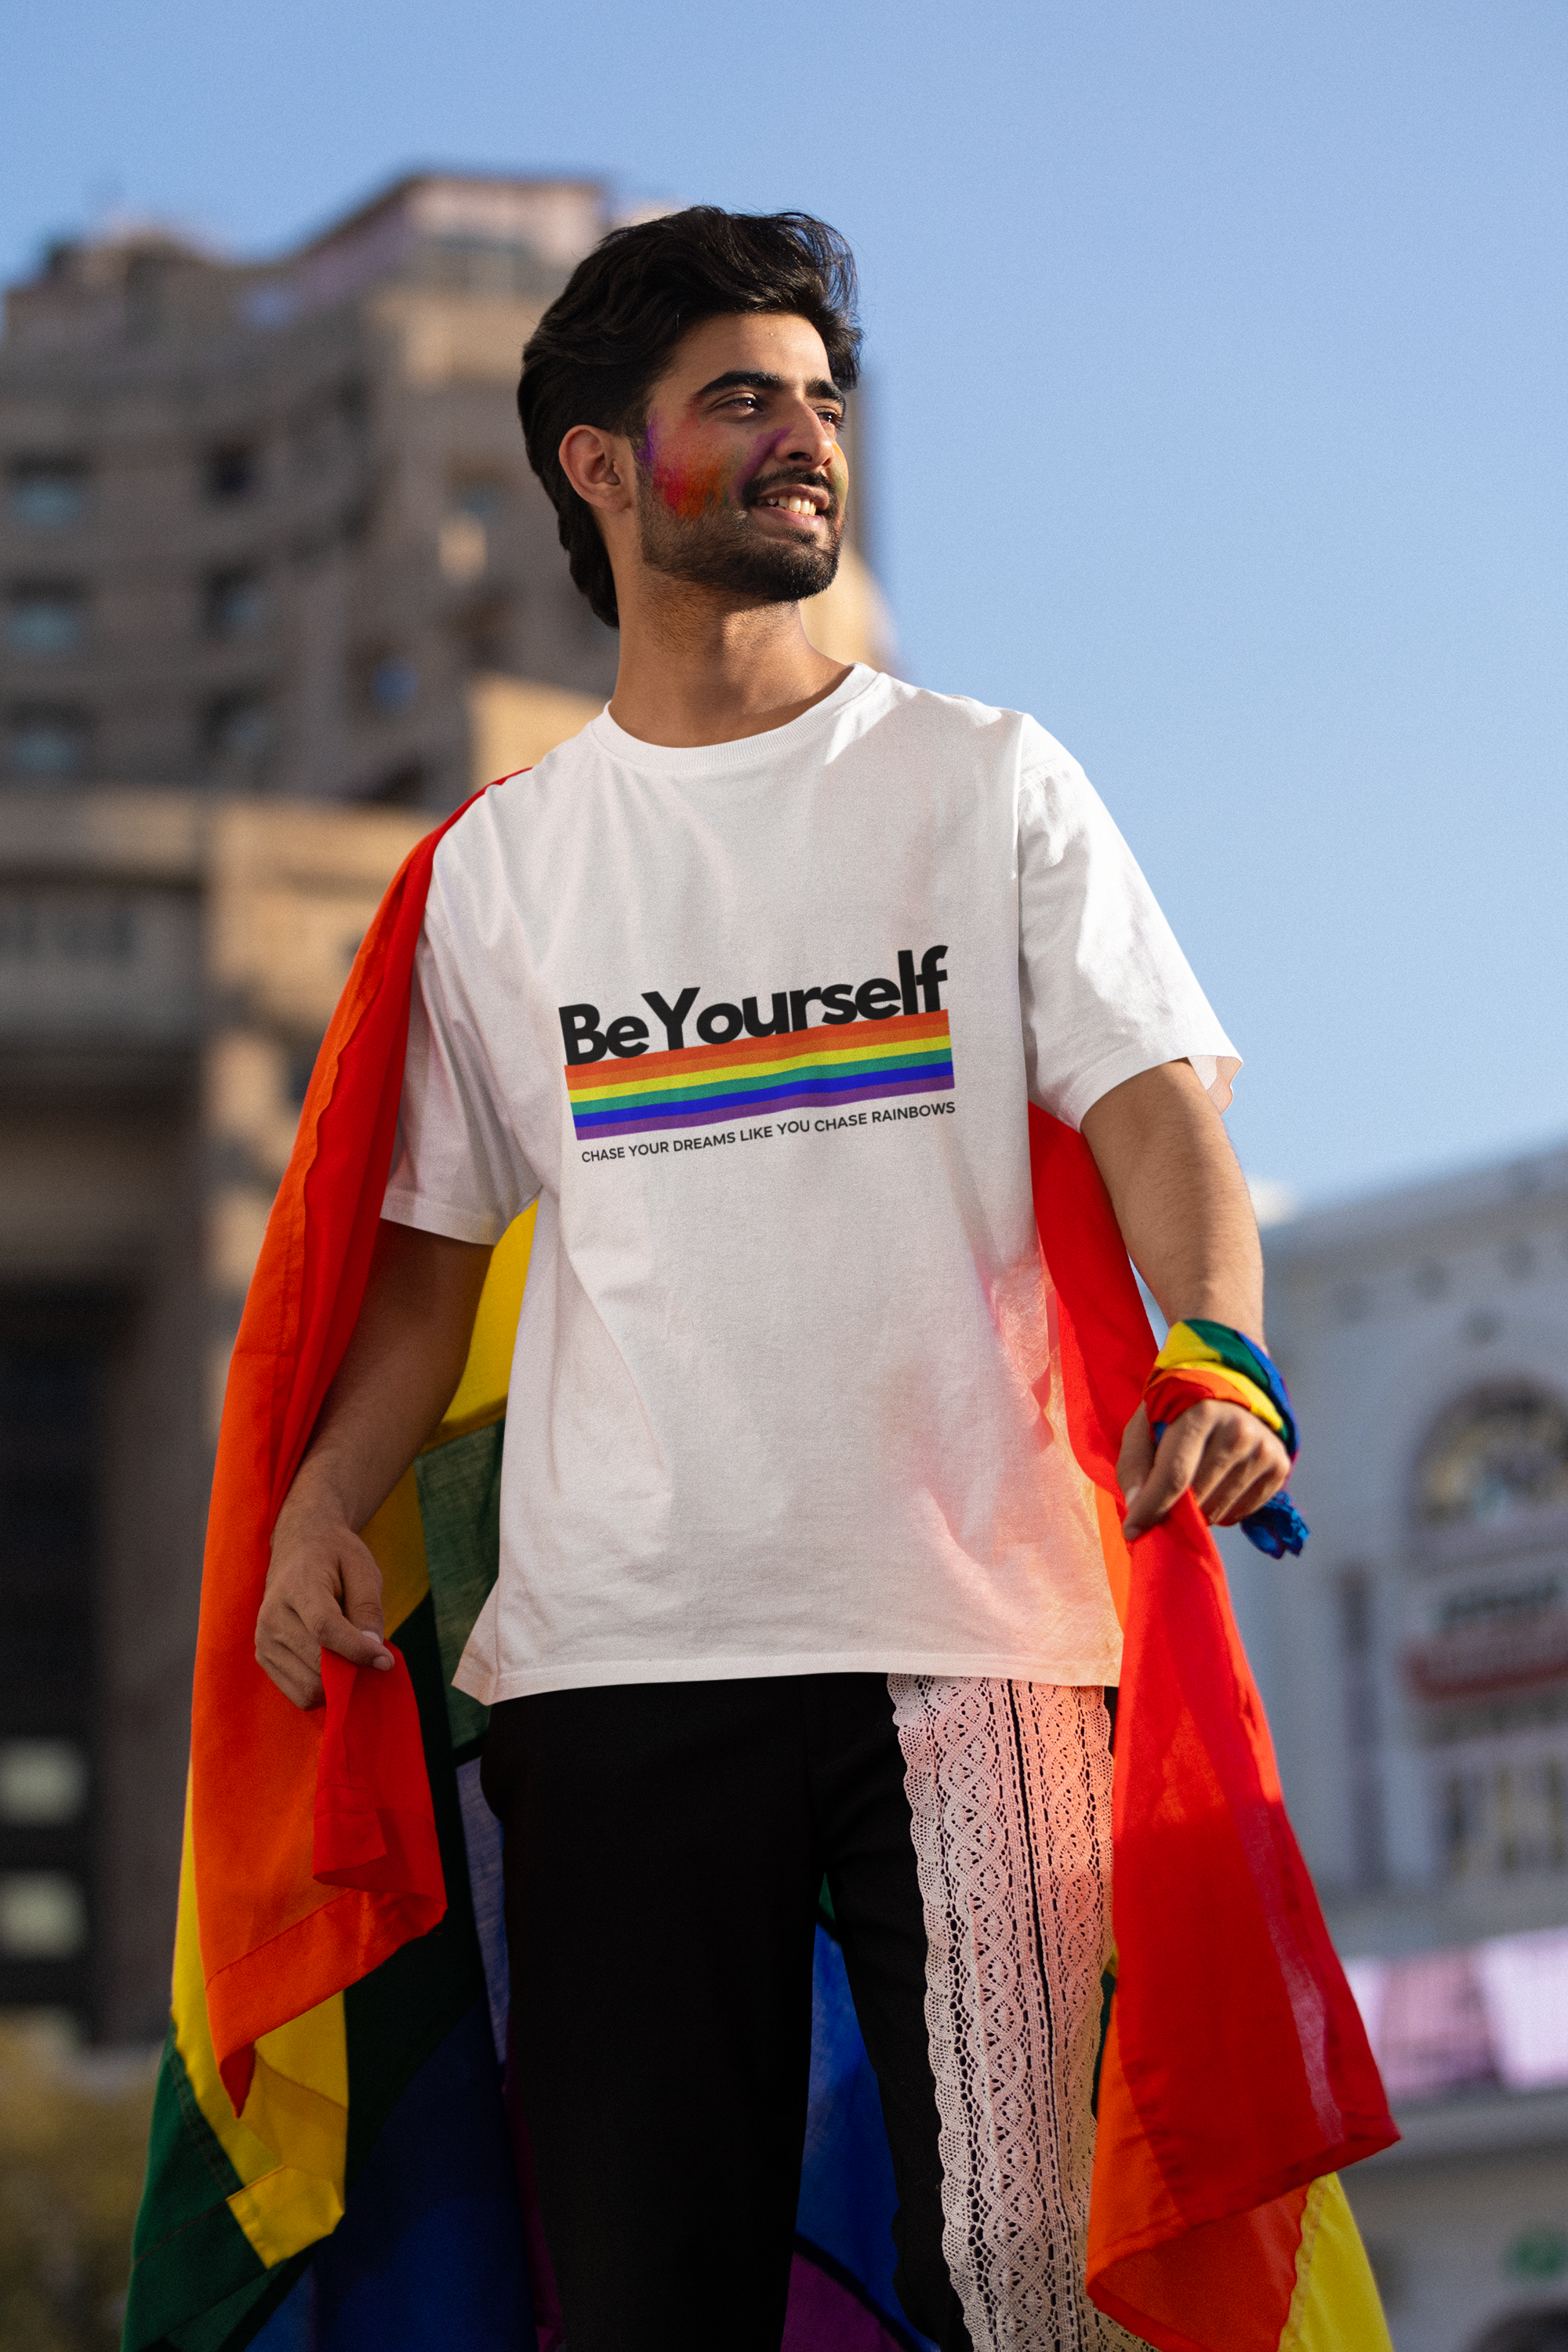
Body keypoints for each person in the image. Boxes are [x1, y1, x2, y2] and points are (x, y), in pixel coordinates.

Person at [255, 209, 1291, 2352]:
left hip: (978, 1645)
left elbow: (1159, 1117)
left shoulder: (990, 781)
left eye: (823, 401)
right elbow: (428, 1283)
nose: (806, 437)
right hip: (609, 1681)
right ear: (598, 464)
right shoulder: (496, 877)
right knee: (644, 2304)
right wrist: (317, 1505)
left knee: (1029, 2296)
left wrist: (1218, 1341)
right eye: (744, 397)